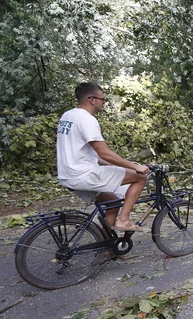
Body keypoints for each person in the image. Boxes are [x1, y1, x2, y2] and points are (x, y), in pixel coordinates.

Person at [56, 82, 150, 232]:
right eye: (103, 99)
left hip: (67, 175)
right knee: (140, 178)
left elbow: (92, 155)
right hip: (84, 174)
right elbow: (104, 153)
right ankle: (123, 221)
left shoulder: (68, 115)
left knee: (113, 201)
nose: (104, 103)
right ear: (92, 99)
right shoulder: (87, 119)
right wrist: (136, 167)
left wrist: (124, 165)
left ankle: (107, 248)